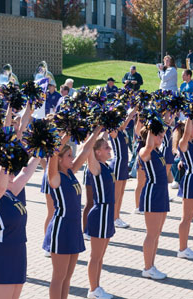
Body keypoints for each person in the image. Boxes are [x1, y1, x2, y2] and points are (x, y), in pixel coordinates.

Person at [0, 108, 40, 299]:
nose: (13, 175)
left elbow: (27, 172)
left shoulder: (12, 193)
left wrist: (40, 148)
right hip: (0, 255)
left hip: (18, 252)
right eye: (9, 171)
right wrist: (6, 159)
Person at [43, 126, 101, 299]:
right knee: (58, 277)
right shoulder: (55, 177)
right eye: (68, 155)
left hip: (74, 228)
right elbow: (53, 153)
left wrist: (97, 131)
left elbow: (85, 151)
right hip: (61, 229)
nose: (72, 158)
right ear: (59, 159)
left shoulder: (70, 173)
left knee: (68, 277)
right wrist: (67, 133)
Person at [85, 138, 115, 299]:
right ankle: (93, 289)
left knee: (100, 256)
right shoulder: (95, 166)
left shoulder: (105, 165)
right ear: (97, 152)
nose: (109, 148)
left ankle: (97, 287)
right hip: (100, 213)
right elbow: (88, 146)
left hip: (108, 212)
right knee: (95, 256)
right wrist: (92, 131)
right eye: (106, 147)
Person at [138, 126, 169, 280]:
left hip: (162, 193)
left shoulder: (157, 151)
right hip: (153, 193)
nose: (162, 139)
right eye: (159, 136)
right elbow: (149, 145)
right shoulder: (145, 151)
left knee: (157, 233)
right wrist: (151, 124)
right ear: (150, 136)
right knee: (151, 233)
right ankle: (147, 267)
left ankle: (152, 265)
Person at [173, 118, 193, 260]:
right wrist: (189, 116)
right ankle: (182, 248)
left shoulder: (192, 142)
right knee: (186, 218)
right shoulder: (183, 142)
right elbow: (186, 133)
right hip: (190, 180)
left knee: (190, 218)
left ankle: (184, 247)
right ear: (186, 130)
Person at [109, 108, 137, 228]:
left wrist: (135, 109)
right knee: (116, 193)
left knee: (121, 193)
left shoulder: (121, 130)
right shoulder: (113, 131)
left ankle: (117, 216)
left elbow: (128, 118)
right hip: (118, 163)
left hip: (124, 164)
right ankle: (113, 218)